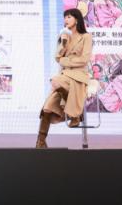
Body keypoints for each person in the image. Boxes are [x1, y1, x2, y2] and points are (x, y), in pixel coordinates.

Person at [36, 8, 92, 148]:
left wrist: (66, 61)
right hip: (65, 76)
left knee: (55, 81)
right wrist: (63, 42)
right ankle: (40, 142)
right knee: (47, 107)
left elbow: (84, 60)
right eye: (65, 17)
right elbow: (57, 57)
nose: (66, 20)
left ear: (77, 20)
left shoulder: (86, 37)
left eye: (69, 17)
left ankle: (75, 115)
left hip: (78, 76)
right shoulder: (64, 36)